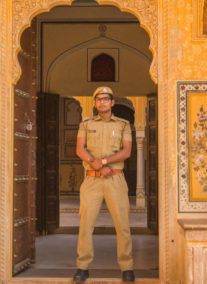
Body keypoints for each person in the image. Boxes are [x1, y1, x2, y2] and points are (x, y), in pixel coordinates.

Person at [73, 86, 135, 283]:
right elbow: (80, 149)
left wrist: (105, 162)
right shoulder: (86, 123)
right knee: (85, 225)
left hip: (115, 179)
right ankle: (83, 267)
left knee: (122, 225)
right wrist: (98, 167)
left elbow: (126, 152)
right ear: (95, 103)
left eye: (106, 99)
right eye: (98, 99)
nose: (102, 102)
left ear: (112, 102)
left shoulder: (123, 124)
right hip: (92, 179)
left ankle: (126, 267)